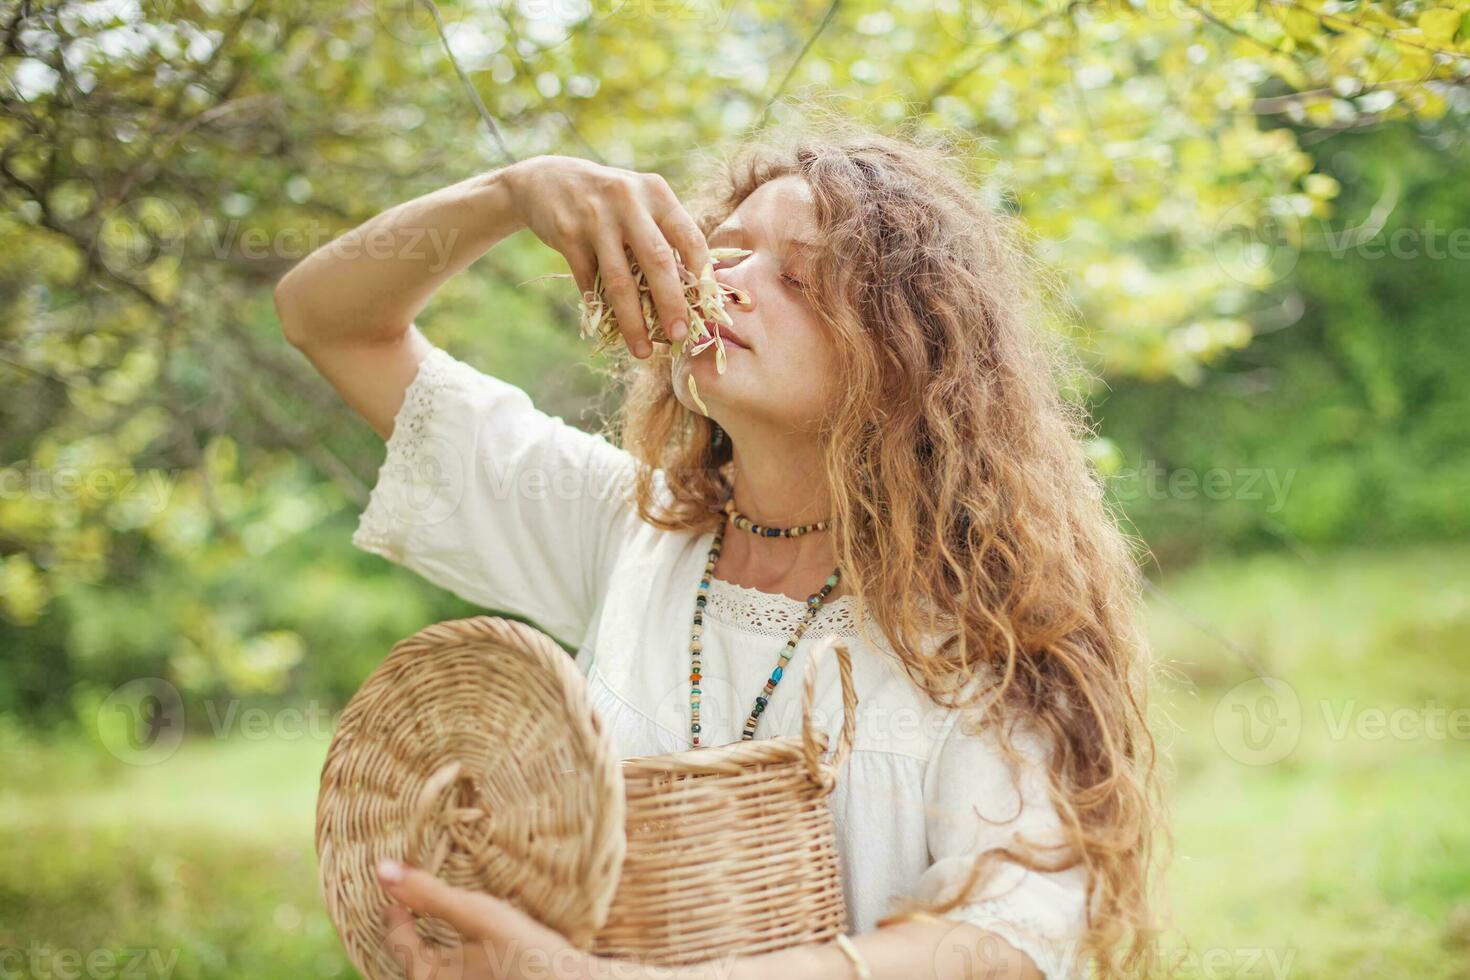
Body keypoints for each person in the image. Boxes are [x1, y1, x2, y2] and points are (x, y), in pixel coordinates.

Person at [274, 117, 1163, 980]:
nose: (728, 280)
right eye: (723, 248)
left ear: (903, 357)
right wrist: (514, 192)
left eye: (802, 280)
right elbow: (329, 321)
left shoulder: (986, 620)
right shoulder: (629, 527)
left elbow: (1007, 942)